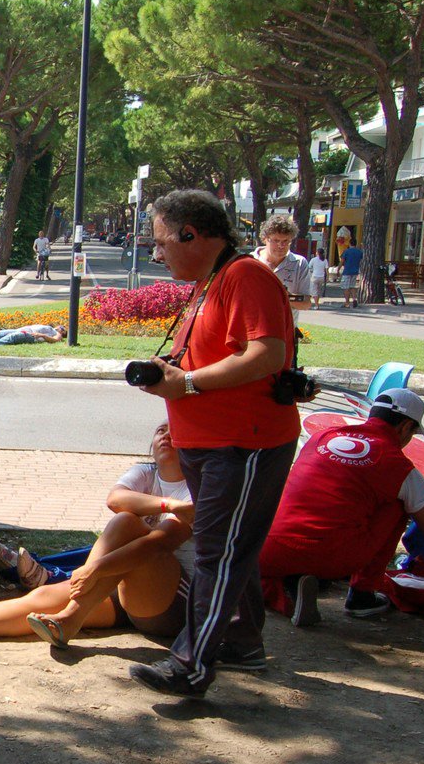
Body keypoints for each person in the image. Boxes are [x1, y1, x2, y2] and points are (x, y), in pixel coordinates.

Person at [128, 188, 299, 698]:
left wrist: (188, 384)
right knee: (230, 549)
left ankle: (191, 664)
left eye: (161, 243)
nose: (157, 254)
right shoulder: (214, 279)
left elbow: (268, 353)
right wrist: (175, 377)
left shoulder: (246, 275)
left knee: (218, 552)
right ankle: (242, 643)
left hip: (243, 444)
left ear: (191, 233)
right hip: (214, 442)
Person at [0, 424, 199, 649]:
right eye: (161, 429)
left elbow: (158, 544)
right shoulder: (145, 474)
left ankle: (73, 614)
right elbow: (115, 498)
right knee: (43, 598)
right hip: (123, 592)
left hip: (171, 604)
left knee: (126, 526)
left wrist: (94, 569)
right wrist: (169, 504)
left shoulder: (198, 488)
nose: (166, 434)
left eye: (176, 430)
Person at [260, 389, 424, 626]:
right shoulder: (400, 468)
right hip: (333, 557)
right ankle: (362, 595)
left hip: (268, 551)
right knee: (399, 502)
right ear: (405, 427)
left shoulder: (320, 437)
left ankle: (291, 584)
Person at [253, 214, 313, 311]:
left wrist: (285, 296)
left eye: (286, 241)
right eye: (276, 240)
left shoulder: (299, 263)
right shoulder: (251, 260)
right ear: (264, 239)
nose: (281, 245)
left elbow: (306, 303)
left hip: (286, 325)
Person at [0, 323, 66, 346]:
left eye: (63, 329)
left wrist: (42, 335)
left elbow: (56, 340)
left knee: (12, 337)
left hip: (31, 335)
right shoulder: (50, 327)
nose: (60, 327)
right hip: (20, 329)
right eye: (61, 326)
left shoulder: (57, 333)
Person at [339, 236, 364, 308]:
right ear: (356, 244)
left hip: (347, 271)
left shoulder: (346, 251)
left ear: (350, 243)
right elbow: (361, 261)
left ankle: (347, 303)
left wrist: (338, 269)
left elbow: (342, 261)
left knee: (345, 287)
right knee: (352, 286)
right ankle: (354, 299)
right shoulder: (359, 252)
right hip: (355, 271)